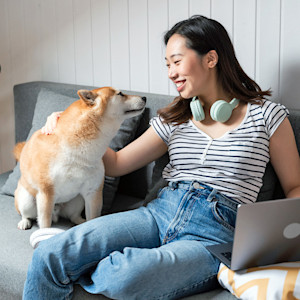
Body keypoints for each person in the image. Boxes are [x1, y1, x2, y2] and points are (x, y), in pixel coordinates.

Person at [23, 15, 300, 300]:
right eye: (167, 65)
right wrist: (70, 126)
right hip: (159, 212)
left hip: (216, 233)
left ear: (211, 58)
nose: (170, 72)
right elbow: (116, 165)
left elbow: (295, 187)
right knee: (49, 255)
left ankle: (82, 257)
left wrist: (281, 238)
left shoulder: (267, 115)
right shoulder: (174, 117)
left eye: (177, 61)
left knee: (122, 276)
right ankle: (71, 250)